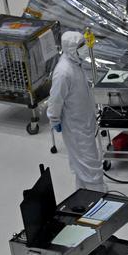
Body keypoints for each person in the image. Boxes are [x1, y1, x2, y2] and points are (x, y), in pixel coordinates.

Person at [47, 31, 106, 193]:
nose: (84, 49)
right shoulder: (63, 72)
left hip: (84, 121)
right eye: (80, 46)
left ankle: (82, 193)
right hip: (75, 127)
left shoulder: (75, 63)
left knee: (81, 162)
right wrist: (54, 120)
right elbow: (55, 100)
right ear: (70, 48)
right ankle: (98, 196)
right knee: (89, 162)